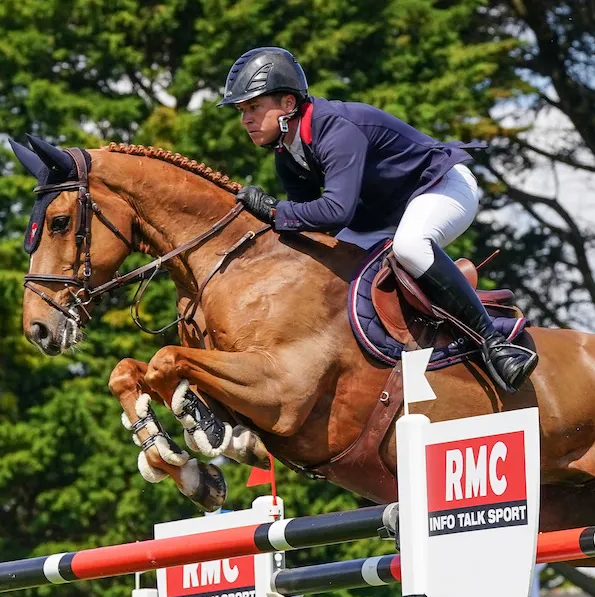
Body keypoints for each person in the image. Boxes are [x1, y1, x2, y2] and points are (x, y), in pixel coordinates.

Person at [222, 46, 539, 392]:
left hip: (441, 188)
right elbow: (311, 227)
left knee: (410, 246)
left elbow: (334, 212)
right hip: (382, 215)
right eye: (241, 111)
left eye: (253, 107)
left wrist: (272, 210)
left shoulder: (335, 129)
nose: (246, 120)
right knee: (326, 273)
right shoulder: (287, 152)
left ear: (287, 104)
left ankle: (494, 344)